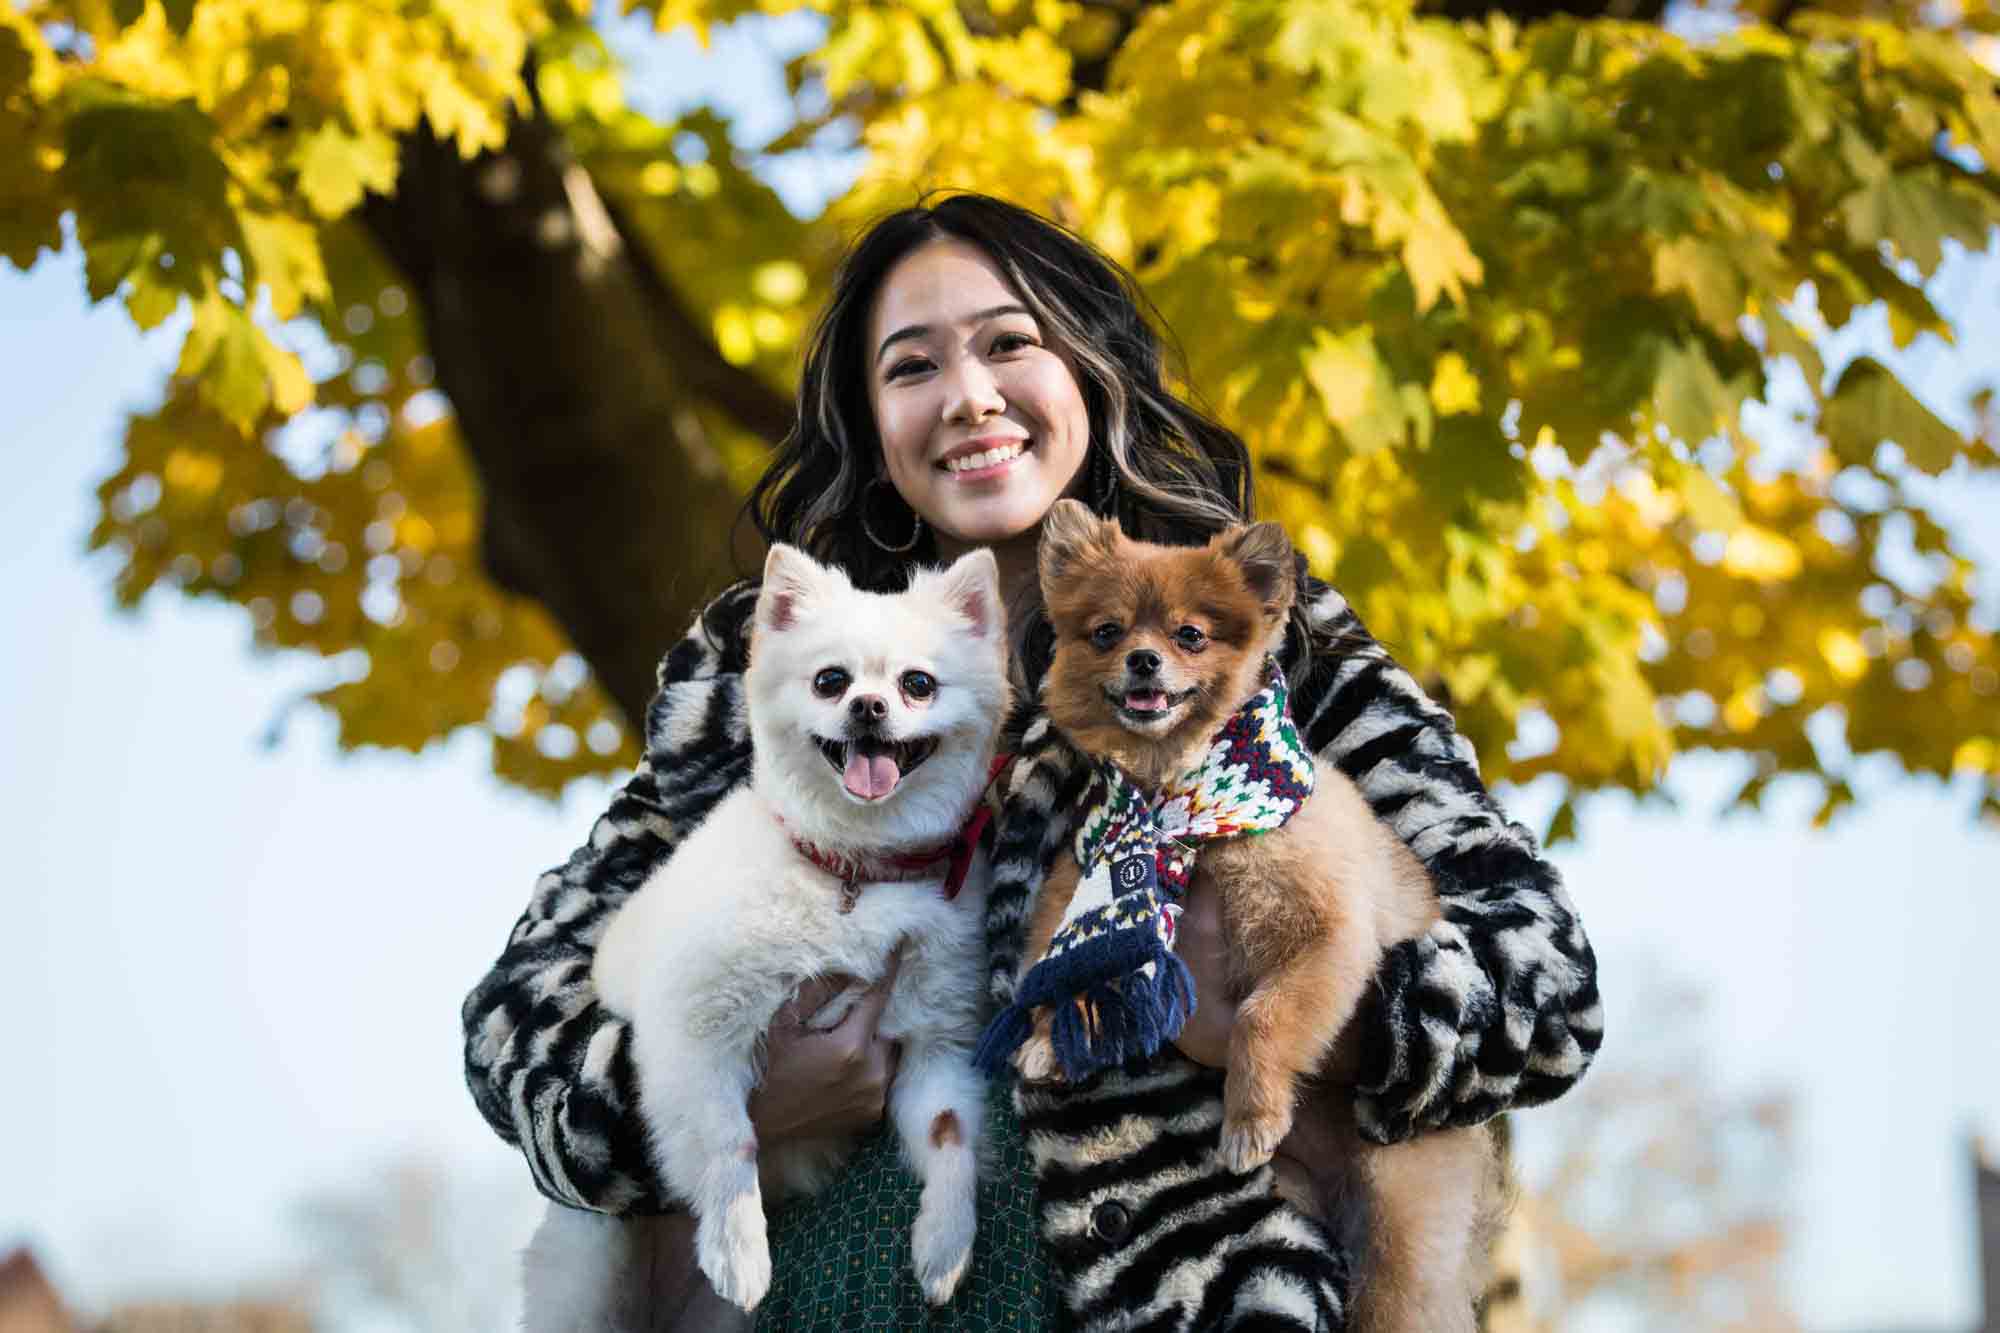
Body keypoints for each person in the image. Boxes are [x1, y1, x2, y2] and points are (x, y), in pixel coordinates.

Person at [462, 192, 1602, 1329]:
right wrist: (745, 1090)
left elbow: (1545, 987)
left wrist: (1274, 1016)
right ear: (871, 422)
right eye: (910, 368)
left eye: (1008, 342)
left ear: (1088, 368)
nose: (966, 395)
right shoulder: (762, 683)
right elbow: (519, 1026)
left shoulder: (1270, 655)